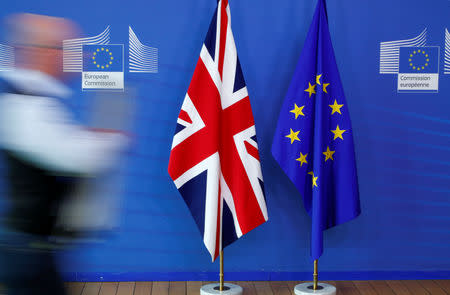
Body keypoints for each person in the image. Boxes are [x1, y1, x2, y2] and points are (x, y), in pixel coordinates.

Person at [0, 14, 128, 295]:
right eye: (68, 49)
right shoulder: (25, 106)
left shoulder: (35, 99)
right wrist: (111, 141)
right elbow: (79, 157)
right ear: (42, 52)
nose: (77, 57)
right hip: (26, 251)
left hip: (35, 249)